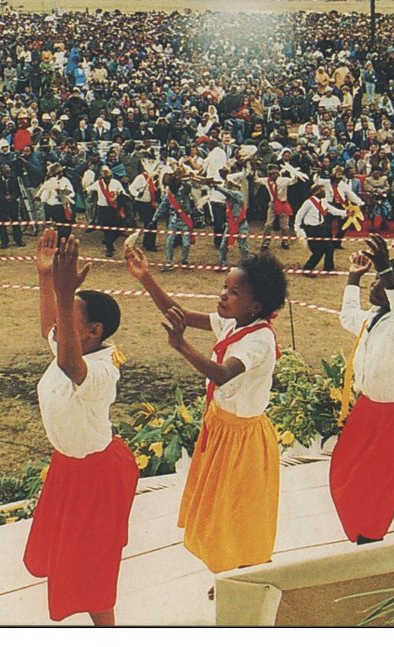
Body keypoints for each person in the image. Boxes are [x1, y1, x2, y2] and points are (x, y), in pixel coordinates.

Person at [124, 246, 287, 575]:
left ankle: (247, 571)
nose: (223, 295)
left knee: (237, 509)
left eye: (233, 292)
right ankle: (228, 568)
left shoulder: (259, 340)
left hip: (243, 439)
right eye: (225, 287)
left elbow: (223, 374)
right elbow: (178, 311)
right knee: (219, 508)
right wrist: (145, 277)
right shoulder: (231, 323)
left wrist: (181, 345)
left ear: (255, 306)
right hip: (222, 428)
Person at [23, 230, 137, 626]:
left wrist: (63, 290)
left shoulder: (102, 369)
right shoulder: (73, 342)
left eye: (69, 316)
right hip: (69, 469)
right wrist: (45, 278)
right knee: (69, 556)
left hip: (97, 477)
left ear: (95, 331)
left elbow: (72, 366)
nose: (59, 322)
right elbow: (49, 332)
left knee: (93, 567)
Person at [330, 235, 394, 544]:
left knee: (377, 484)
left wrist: (386, 267)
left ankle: (370, 538)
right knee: (345, 474)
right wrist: (353, 279)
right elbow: (347, 317)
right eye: (374, 281)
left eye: (380, 282)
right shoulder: (374, 316)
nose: (374, 286)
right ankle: (363, 530)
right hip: (368, 411)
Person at [149, 166, 197, 270]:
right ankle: (169, 262)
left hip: (185, 220)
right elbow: (162, 207)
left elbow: (188, 185)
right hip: (173, 220)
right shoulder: (169, 195)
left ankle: (184, 260)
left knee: (186, 243)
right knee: (169, 242)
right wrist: (154, 219)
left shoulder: (185, 189)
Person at [295, 183, 346, 275]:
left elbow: (333, 210)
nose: (325, 192)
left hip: (320, 228)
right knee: (319, 250)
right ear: (316, 192)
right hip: (311, 229)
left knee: (330, 247)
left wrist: (346, 213)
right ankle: (307, 269)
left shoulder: (323, 202)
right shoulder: (308, 202)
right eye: (322, 191)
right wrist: (297, 228)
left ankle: (328, 268)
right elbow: (299, 215)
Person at [87, 166, 128, 257]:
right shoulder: (98, 183)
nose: (107, 180)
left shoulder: (116, 183)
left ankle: (109, 241)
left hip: (114, 208)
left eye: (109, 178)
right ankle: (109, 247)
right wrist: (85, 189)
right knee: (106, 229)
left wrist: (122, 196)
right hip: (103, 209)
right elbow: (89, 189)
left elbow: (123, 192)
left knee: (117, 229)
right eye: (105, 178)